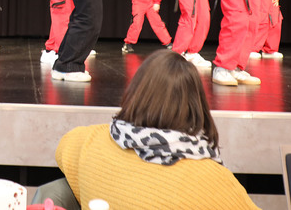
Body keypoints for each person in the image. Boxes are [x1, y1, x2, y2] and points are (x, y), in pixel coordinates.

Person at [54, 50, 259, 210]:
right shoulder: (212, 182)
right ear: (196, 105)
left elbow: (65, 146)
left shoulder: (89, 142)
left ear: (135, 92)